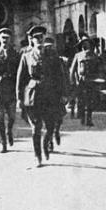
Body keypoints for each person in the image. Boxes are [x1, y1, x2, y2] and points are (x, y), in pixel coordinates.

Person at [16, 25, 65, 167]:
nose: (39, 40)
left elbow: (59, 76)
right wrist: (19, 98)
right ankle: (37, 156)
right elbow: (21, 79)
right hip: (33, 96)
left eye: (41, 37)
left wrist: (63, 94)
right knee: (36, 127)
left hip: (50, 95)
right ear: (31, 40)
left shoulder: (52, 56)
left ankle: (45, 144)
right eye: (36, 37)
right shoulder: (26, 57)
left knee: (50, 126)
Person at [70, 35, 99, 126]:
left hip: (91, 80)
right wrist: (72, 81)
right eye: (84, 44)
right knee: (81, 100)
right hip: (80, 81)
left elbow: (98, 68)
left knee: (90, 101)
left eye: (87, 43)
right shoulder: (78, 55)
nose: (86, 45)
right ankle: (82, 118)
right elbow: (72, 69)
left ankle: (89, 119)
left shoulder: (94, 56)